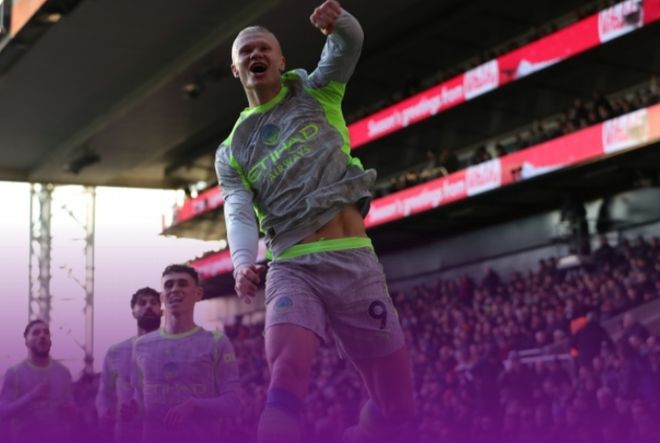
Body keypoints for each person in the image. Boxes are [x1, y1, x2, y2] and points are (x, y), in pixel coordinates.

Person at [215, 1, 415, 442]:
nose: (255, 54)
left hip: (353, 261)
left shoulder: (317, 91)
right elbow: (238, 208)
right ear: (236, 69)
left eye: (263, 48)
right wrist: (243, 261)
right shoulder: (231, 149)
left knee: (398, 408)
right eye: (246, 51)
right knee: (286, 373)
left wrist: (339, 22)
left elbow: (349, 44)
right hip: (292, 265)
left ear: (280, 61)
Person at [128, 264, 240, 443]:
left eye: (182, 284)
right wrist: (132, 410)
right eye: (169, 285)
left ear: (198, 294)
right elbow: (140, 401)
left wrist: (195, 405)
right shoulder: (141, 346)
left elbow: (233, 403)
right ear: (162, 297)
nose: (175, 289)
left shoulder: (217, 342)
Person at [96, 287, 162, 443]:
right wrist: (104, 412)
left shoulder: (174, 349)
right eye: (142, 303)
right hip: (125, 435)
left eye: (153, 302)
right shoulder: (116, 352)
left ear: (161, 311)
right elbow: (104, 393)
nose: (148, 306)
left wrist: (142, 409)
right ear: (133, 312)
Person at [0, 319, 75, 443]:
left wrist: (71, 411)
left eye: (46, 332)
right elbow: (3, 412)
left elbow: (70, 406)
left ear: (50, 340)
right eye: (36, 333)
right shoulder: (14, 373)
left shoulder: (63, 372)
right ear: (26, 341)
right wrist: (30, 396)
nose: (42, 335)